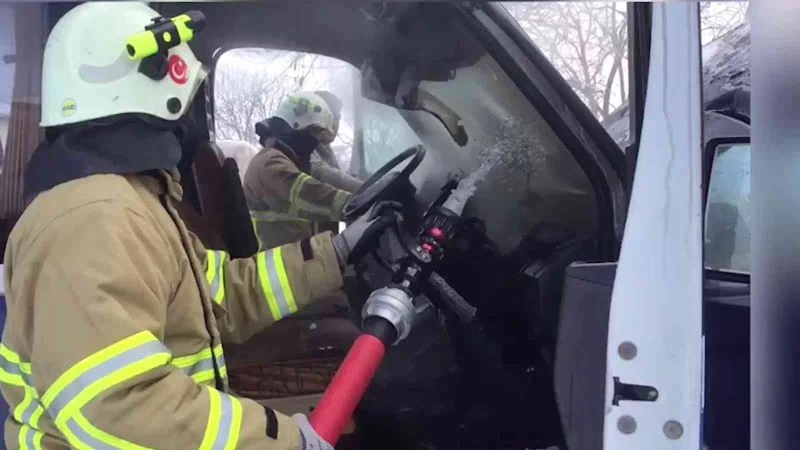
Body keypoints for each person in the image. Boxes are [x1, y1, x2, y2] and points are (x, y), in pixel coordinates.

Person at [0, 3, 400, 449]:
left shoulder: (133, 201)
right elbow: (120, 407)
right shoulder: (92, 218)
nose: (191, 113)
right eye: (188, 92)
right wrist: (286, 441)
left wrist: (336, 252)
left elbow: (221, 292)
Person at [243, 91, 358, 251]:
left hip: (300, 260)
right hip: (283, 263)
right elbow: (308, 195)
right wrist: (359, 203)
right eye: (313, 132)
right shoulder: (269, 162)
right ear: (295, 125)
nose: (315, 141)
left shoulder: (286, 161)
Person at [309, 91, 363, 195]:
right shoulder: (304, 146)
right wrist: (370, 188)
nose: (335, 125)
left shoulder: (323, 147)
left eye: (338, 118)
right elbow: (322, 173)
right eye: (334, 117)